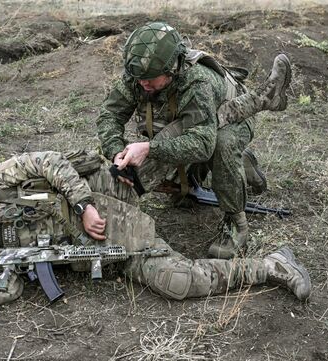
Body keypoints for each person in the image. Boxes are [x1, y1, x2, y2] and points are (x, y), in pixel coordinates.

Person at [0, 150, 311, 329]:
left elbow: (47, 161)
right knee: (179, 283)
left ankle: (231, 154)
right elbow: (5, 287)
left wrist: (83, 203)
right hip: (108, 244)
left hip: (101, 189)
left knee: (164, 152)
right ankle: (273, 265)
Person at [96, 22, 292, 259]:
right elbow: (110, 114)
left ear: (170, 69)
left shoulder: (197, 81)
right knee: (160, 153)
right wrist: (116, 150)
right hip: (190, 121)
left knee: (222, 144)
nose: (142, 84)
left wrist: (150, 148)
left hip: (231, 121)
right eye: (139, 79)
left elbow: (202, 144)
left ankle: (236, 224)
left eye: (149, 79)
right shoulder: (141, 73)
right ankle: (263, 103)